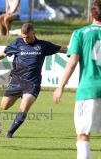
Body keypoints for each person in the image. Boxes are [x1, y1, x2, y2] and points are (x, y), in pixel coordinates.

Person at [0, 23, 67, 138]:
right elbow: (3, 54)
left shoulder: (43, 45)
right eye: (23, 37)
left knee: (24, 106)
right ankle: (18, 97)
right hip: (16, 82)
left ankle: (9, 133)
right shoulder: (17, 43)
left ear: (33, 33)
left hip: (32, 83)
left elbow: (63, 49)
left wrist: (78, 51)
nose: (25, 39)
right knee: (4, 106)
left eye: (27, 37)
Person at [53, 0, 101, 158]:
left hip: (88, 90)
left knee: (83, 134)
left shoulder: (80, 33)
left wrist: (61, 86)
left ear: (91, 14)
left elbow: (73, 61)